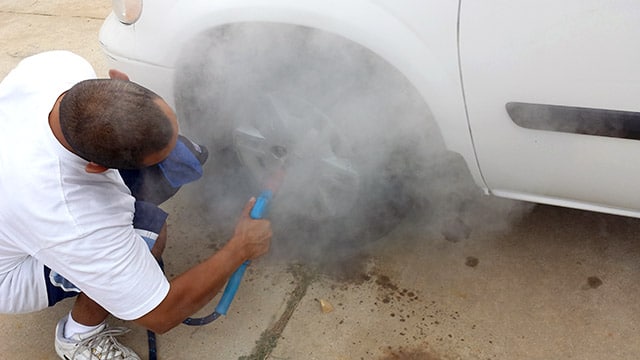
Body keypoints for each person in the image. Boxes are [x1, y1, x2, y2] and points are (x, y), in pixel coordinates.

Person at [0, 50, 272, 360]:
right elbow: (162, 314)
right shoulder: (74, 216)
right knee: (149, 231)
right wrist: (239, 248)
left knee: (176, 160)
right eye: (159, 157)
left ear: (118, 79)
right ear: (97, 168)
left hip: (14, 199)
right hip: (9, 273)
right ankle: (78, 336)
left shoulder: (58, 67)